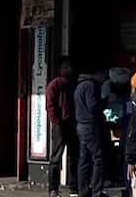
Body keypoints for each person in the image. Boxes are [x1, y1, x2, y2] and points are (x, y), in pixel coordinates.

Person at [73, 69, 112, 197]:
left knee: (84, 160)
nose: (103, 80)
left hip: (81, 125)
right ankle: (97, 191)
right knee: (98, 158)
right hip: (90, 126)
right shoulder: (91, 85)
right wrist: (105, 102)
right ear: (98, 73)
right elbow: (93, 106)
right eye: (103, 76)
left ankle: (83, 191)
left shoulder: (79, 85)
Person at [45, 61, 80, 197]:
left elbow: (50, 105)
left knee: (70, 156)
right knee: (59, 157)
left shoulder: (59, 84)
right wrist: (57, 122)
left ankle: (64, 188)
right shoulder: (57, 85)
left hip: (66, 123)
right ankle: (56, 188)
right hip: (62, 125)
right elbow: (50, 106)